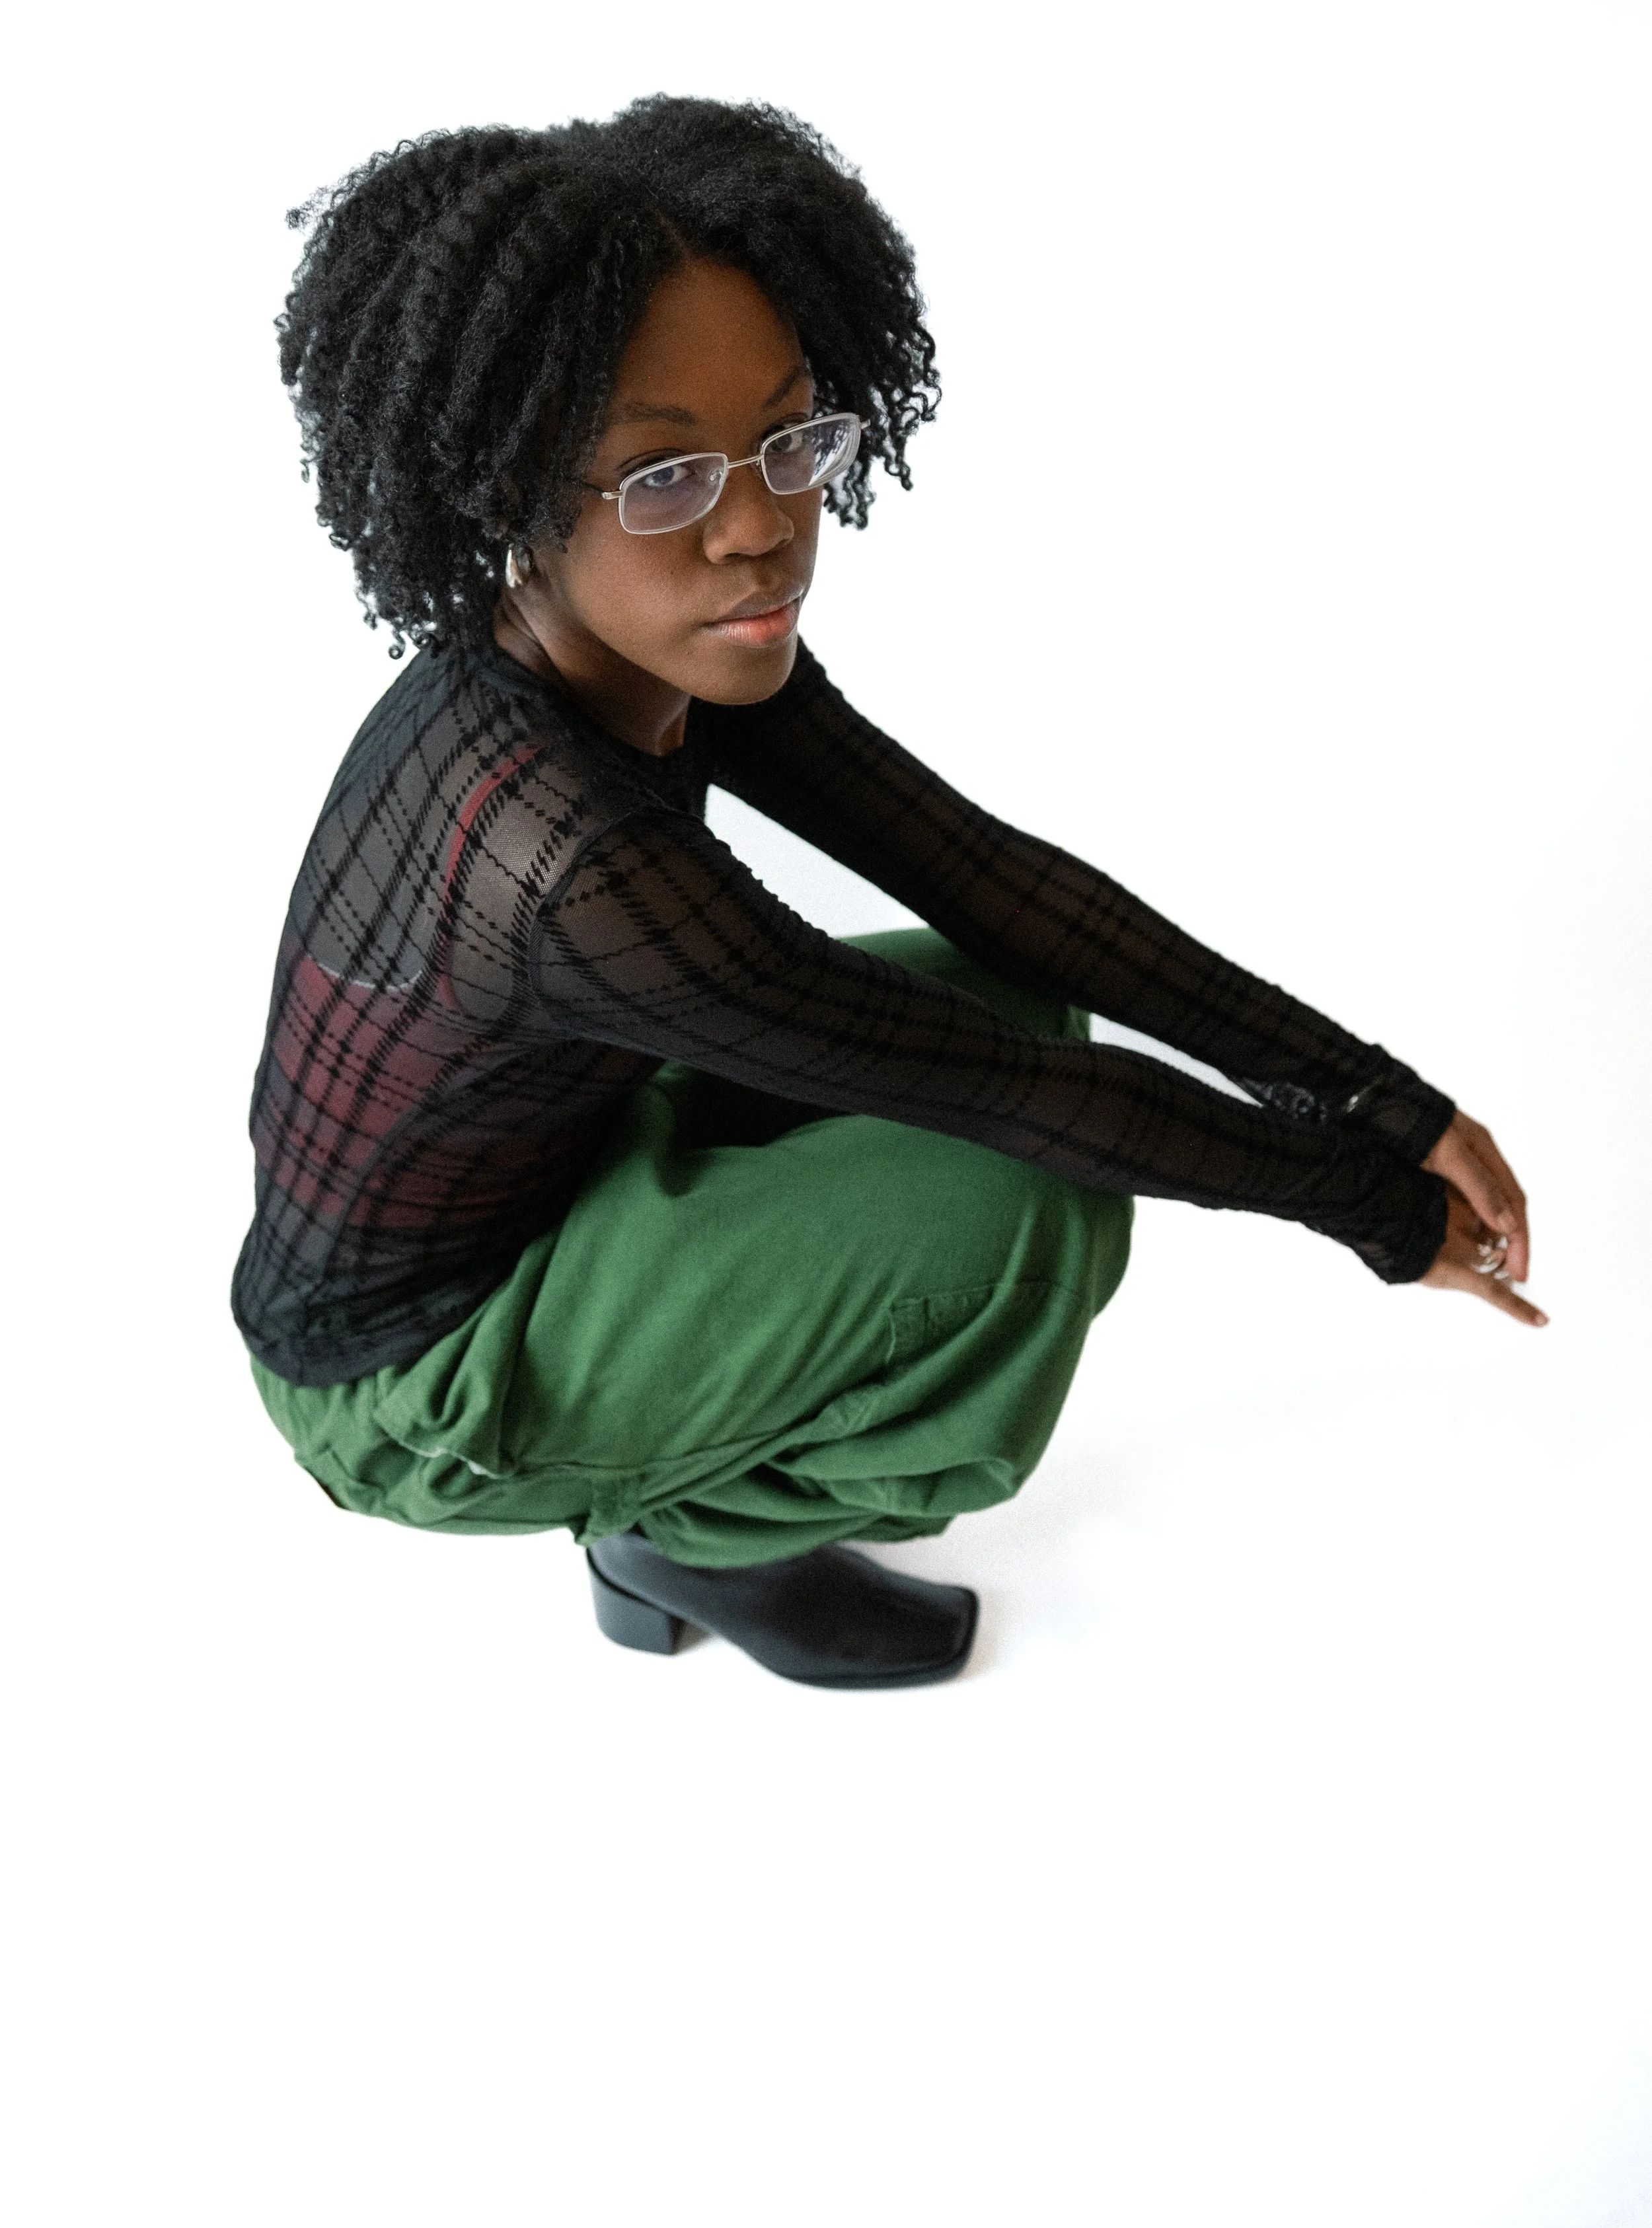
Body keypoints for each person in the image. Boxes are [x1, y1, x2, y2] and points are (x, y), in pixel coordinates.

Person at [233, 96, 1543, 1691]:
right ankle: (678, 1530)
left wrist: (1376, 1094)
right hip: (412, 1382)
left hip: (560, 1150)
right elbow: (1006, 1100)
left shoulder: (646, 652)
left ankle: (674, 1470)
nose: (758, 528)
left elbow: (987, 880)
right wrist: (1379, 1214)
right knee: (1011, 1214)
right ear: (506, 494)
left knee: (1005, 992)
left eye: (788, 440)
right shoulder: (556, 855)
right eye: (659, 479)